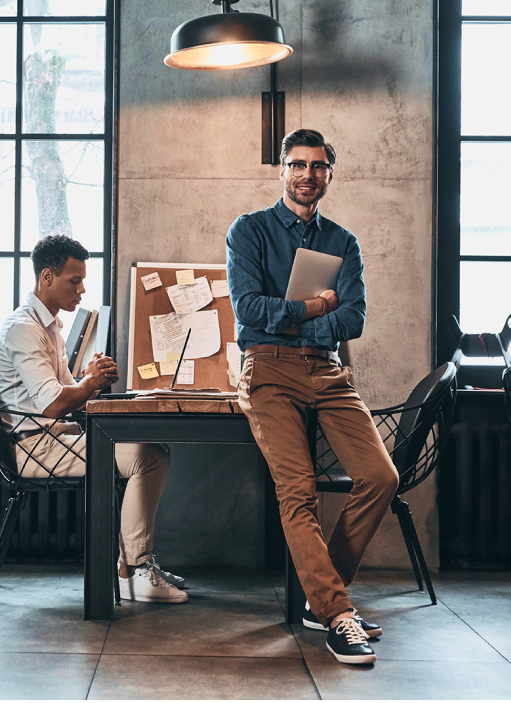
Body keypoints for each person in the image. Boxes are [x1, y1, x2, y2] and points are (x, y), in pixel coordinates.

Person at [226, 129, 399, 665]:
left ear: (330, 173)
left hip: (329, 372)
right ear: (282, 169)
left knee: (380, 477)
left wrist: (298, 315)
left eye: (318, 166)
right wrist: (314, 308)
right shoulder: (249, 231)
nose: (307, 175)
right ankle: (339, 615)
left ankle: (323, 599)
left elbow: (355, 319)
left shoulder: (342, 242)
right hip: (269, 371)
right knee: (297, 490)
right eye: (298, 165)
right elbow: (249, 311)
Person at [0, 235, 187, 604]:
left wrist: (89, 380)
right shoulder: (23, 328)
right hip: (34, 449)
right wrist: (88, 383)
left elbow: (66, 398)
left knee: (151, 451)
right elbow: (55, 405)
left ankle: (133, 566)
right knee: (148, 456)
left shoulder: (48, 326)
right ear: (47, 278)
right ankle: (133, 570)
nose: (82, 289)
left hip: (52, 439)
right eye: (75, 280)